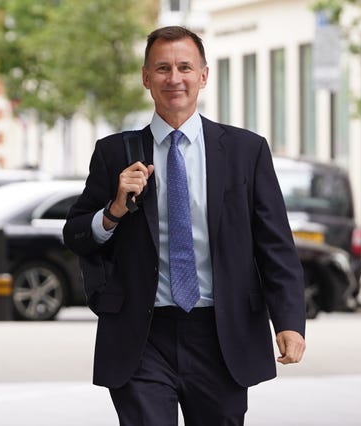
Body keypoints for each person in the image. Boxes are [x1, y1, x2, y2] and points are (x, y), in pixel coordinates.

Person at [63, 25, 306, 426]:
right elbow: (75, 235)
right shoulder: (113, 153)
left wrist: (289, 322)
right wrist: (114, 210)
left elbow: (275, 244)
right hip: (142, 336)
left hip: (221, 333)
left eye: (184, 67)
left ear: (204, 76)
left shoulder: (246, 151)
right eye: (162, 68)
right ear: (146, 78)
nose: (174, 78)